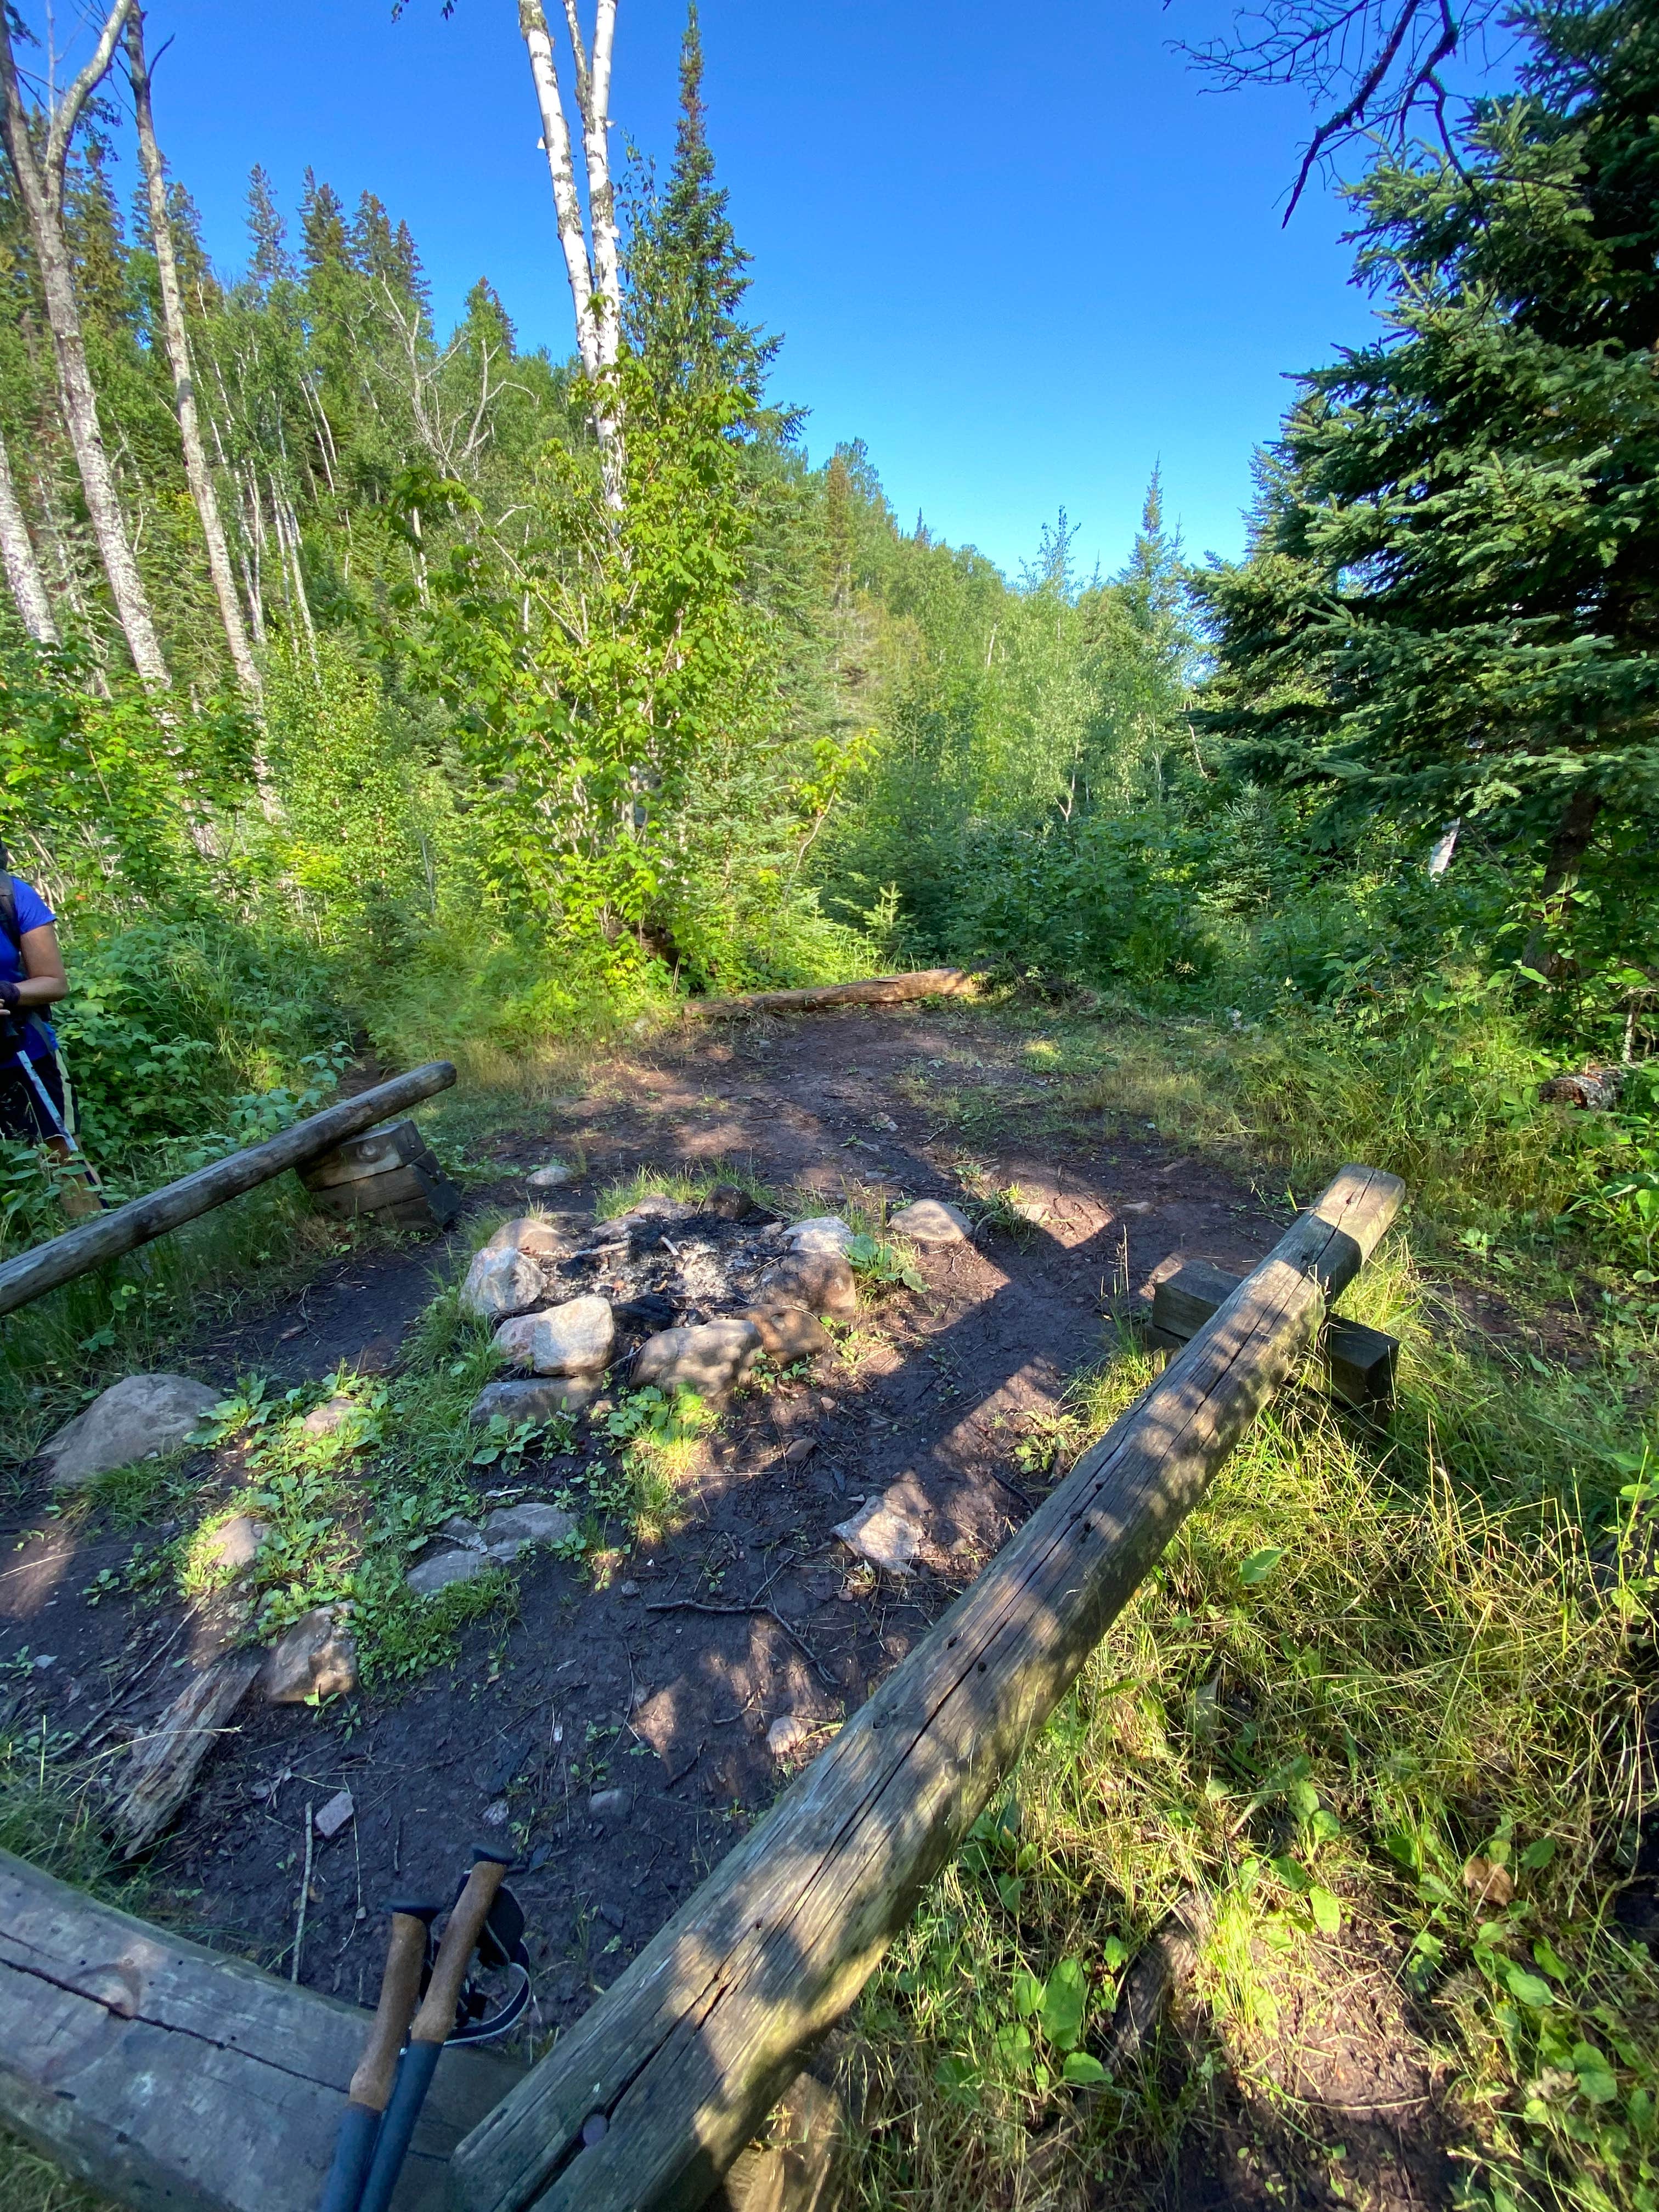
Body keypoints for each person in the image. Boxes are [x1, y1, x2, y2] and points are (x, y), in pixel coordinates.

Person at [0, 842, 98, 1212]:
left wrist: (7, 993)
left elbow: (53, 983)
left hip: (23, 1051)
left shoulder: (12, 895)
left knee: (60, 1153)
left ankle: (100, 1254)